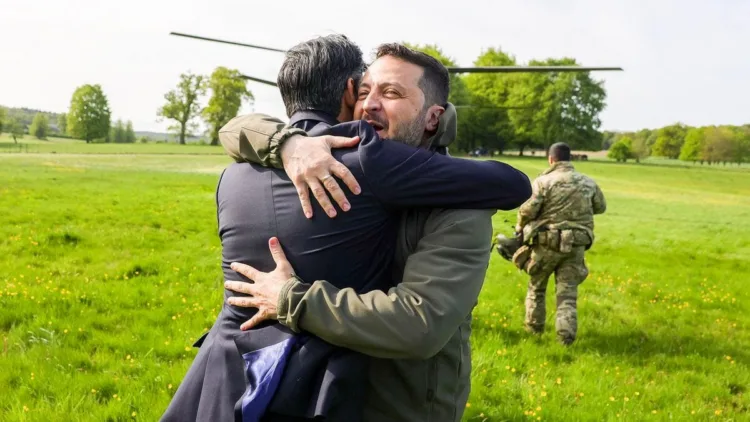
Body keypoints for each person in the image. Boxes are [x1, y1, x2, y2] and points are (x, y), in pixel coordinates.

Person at [161, 36, 531, 422]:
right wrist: (288, 143)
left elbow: (420, 323)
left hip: (397, 405)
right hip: (325, 394)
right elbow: (233, 129)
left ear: (433, 118)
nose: (370, 104)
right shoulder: (332, 161)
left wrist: (292, 298)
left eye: (391, 93)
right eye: (366, 91)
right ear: (350, 93)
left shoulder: (458, 203)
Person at [508, 142, 606, 345]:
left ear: (551, 159)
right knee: (567, 293)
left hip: (547, 243)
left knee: (537, 287)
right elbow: (600, 207)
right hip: (576, 245)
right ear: (569, 158)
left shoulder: (543, 182)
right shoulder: (588, 182)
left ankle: (534, 331)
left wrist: (519, 230)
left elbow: (527, 210)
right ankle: (565, 338)